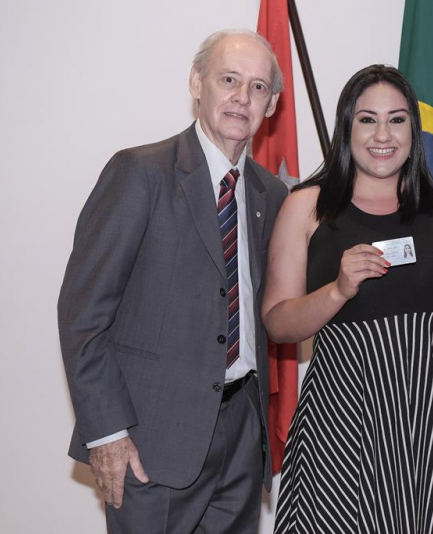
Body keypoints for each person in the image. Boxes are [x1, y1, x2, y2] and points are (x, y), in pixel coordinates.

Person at [58, 29, 288, 533]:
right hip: (150, 443)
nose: (241, 97)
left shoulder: (270, 194)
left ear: (270, 105)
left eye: (257, 87)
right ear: (196, 83)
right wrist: (107, 433)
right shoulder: (140, 172)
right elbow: (83, 315)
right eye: (228, 79)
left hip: (241, 438)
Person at [262, 65, 433, 533]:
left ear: (413, 129)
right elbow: (278, 323)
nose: (383, 134)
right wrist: (337, 290)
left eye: (397, 119)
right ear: (347, 127)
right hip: (344, 425)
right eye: (368, 119)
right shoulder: (307, 206)